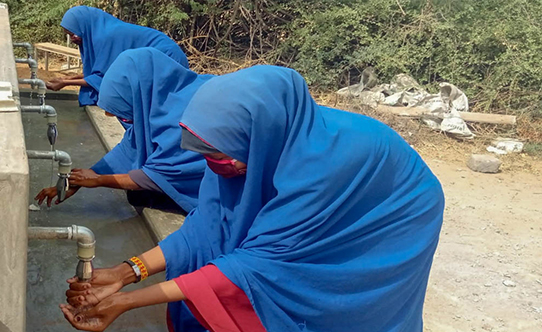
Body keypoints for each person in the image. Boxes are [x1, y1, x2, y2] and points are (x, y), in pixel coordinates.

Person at [58, 66, 445, 332]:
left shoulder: (322, 169)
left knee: (330, 297)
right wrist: (124, 273)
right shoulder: (246, 146)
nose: (216, 165)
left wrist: (126, 301)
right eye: (208, 155)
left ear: (262, 133)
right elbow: (206, 228)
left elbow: (256, 267)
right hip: (329, 197)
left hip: (393, 213)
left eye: (223, 156)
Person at [35, 48, 211, 212]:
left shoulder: (185, 120)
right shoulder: (159, 103)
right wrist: (77, 183)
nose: (127, 121)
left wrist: (99, 180)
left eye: (126, 116)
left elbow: (161, 176)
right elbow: (129, 148)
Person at [47, 6, 190, 110]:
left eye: (74, 34)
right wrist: (67, 79)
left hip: (165, 59)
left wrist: (65, 83)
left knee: (153, 109)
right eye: (70, 35)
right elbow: (100, 71)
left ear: (84, 26)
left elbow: (106, 77)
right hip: (152, 59)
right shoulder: (98, 32)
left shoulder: (106, 37)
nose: (73, 38)